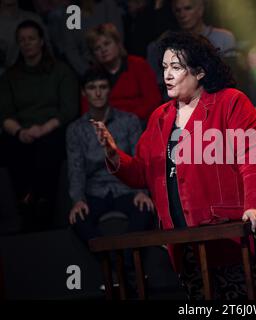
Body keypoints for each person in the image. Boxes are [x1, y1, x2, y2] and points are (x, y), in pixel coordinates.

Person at [92, 31, 256, 300]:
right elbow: (142, 173)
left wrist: (254, 206)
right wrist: (113, 154)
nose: (167, 75)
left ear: (200, 72)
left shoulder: (230, 102)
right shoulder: (160, 117)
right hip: (184, 244)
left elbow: (255, 160)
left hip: (229, 237)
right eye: (165, 67)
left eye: (176, 67)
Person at [67, 68, 154, 288]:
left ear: (110, 91)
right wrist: (77, 199)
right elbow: (76, 168)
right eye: (92, 88)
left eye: (103, 87)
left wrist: (142, 191)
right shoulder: (76, 129)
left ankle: (123, 267)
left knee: (145, 209)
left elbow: (138, 159)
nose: (97, 93)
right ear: (84, 93)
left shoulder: (129, 121)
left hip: (126, 187)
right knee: (78, 218)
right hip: (95, 191)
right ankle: (115, 267)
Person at [0, 19, 78, 231]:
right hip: (20, 130)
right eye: (22, 40)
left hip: (51, 128)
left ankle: (44, 204)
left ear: (41, 41)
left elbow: (69, 108)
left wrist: (42, 129)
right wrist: (20, 131)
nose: (27, 43)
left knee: (49, 146)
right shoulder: (10, 76)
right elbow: (3, 111)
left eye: (31, 39)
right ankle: (25, 203)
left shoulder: (60, 71)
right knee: (12, 146)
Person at [80, 23, 162, 124]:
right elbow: (87, 109)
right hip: (105, 125)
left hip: (139, 121)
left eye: (107, 44)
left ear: (118, 44)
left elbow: (153, 101)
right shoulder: (92, 75)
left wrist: (127, 120)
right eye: (97, 48)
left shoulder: (138, 65)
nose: (103, 50)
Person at [62, 0, 123, 76]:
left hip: (114, 66)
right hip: (88, 69)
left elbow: (117, 37)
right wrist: (87, 72)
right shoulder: (72, 13)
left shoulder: (107, 5)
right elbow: (71, 49)